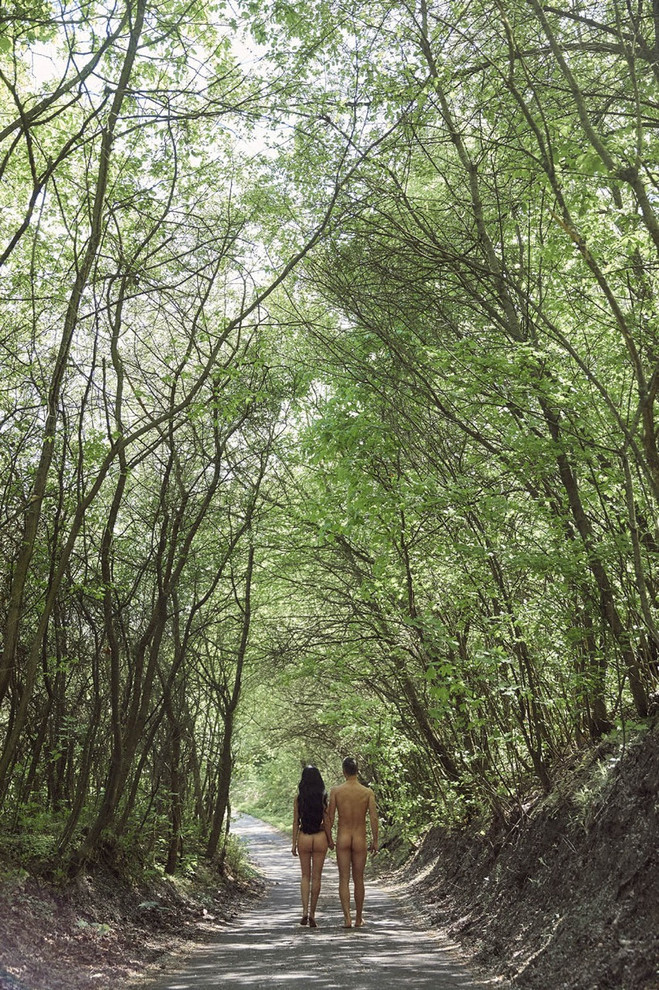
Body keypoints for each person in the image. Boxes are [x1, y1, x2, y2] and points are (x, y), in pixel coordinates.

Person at [328, 756, 379, 928]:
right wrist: (375, 840)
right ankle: (358, 918)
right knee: (359, 879)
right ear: (357, 771)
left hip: (343, 837)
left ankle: (347, 919)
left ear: (343, 772)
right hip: (359, 838)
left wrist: (329, 838)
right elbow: (373, 817)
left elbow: (330, 816)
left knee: (344, 879)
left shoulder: (336, 791)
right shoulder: (367, 792)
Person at [292, 765, 334, 927]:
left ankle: (303, 911)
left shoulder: (299, 798)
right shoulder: (323, 797)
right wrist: (330, 840)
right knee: (317, 877)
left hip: (304, 837)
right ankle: (312, 914)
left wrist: (294, 843)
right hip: (320, 837)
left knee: (305, 876)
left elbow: (295, 821)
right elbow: (327, 822)